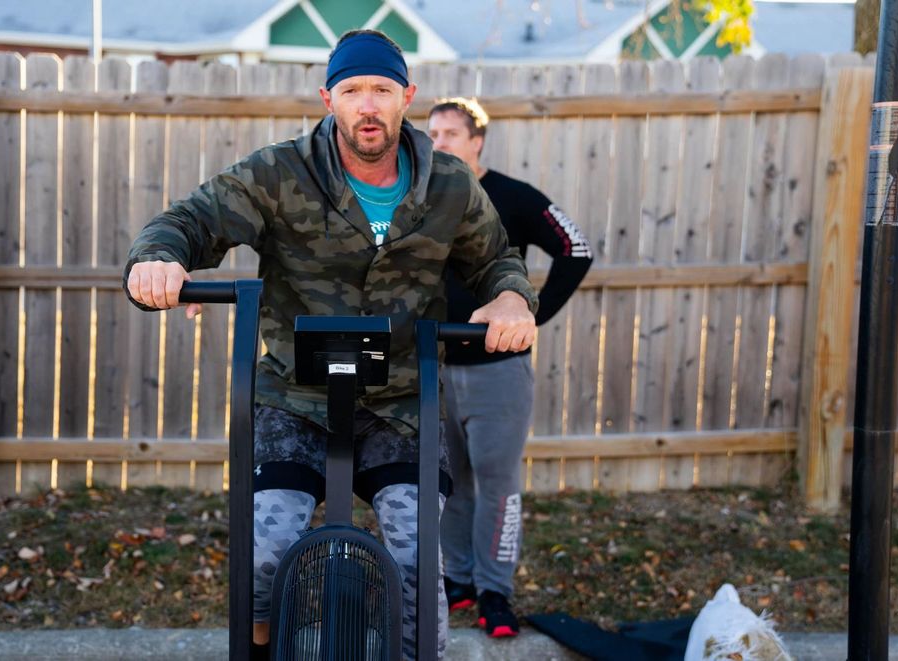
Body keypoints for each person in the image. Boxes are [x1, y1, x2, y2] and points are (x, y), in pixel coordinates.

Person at [123, 32, 538, 661]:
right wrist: (158, 258)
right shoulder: (278, 172)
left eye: (381, 90)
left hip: (399, 404)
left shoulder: (449, 184)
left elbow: (497, 260)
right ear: (328, 99)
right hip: (295, 400)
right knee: (267, 548)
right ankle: (260, 648)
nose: (367, 106)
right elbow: (191, 220)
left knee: (416, 557)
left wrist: (511, 297)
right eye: (351, 91)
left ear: (407, 97)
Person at [427, 98, 593, 639]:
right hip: (437, 367)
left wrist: (533, 313)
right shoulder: (417, 197)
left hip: (499, 372)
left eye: (451, 133)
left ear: (477, 141)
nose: (439, 143)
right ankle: (460, 584)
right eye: (431, 133)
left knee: (496, 486)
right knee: (448, 483)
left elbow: (576, 247)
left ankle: (495, 592)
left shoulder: (513, 197)